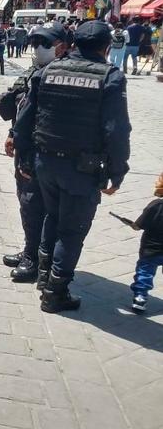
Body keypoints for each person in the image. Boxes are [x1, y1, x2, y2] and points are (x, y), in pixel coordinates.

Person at [14, 20, 132, 313]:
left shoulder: (49, 71)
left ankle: (44, 276)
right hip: (82, 169)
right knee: (71, 230)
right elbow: (116, 130)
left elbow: (24, 119)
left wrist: (23, 158)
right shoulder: (110, 78)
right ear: (107, 48)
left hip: (44, 162)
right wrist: (117, 172)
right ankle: (55, 292)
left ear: (73, 44)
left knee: (52, 218)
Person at [0, 24, 69, 285]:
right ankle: (30, 251)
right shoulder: (35, 72)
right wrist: (13, 134)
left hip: (46, 152)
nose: (39, 47)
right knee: (28, 204)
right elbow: (23, 108)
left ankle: (38, 260)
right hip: (27, 146)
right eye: (36, 41)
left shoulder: (63, 74)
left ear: (62, 45)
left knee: (39, 206)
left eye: (45, 42)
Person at [127, 173, 163, 313]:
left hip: (151, 249)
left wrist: (132, 224)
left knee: (145, 273)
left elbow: (139, 225)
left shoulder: (155, 206)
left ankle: (140, 297)